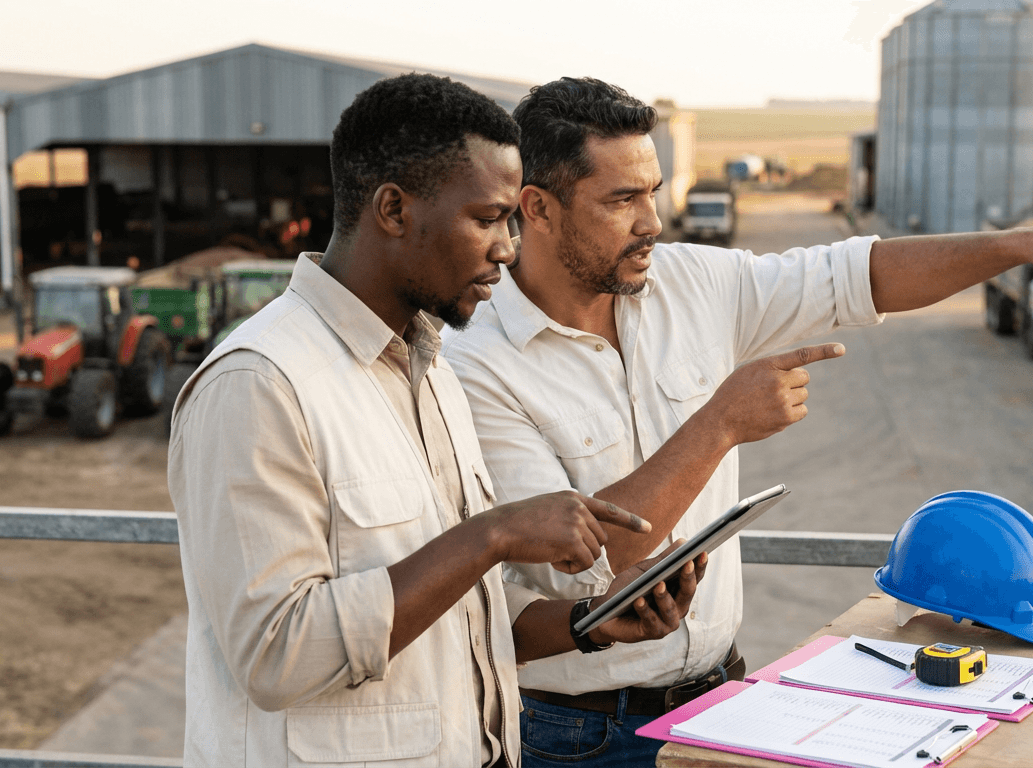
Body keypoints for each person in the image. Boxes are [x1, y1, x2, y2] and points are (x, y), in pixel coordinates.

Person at [440, 76, 1033, 767]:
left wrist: (1020, 246)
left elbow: (857, 274)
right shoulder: (475, 366)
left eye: (654, 193)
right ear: (536, 208)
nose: (652, 222)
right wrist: (720, 423)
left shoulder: (691, 282)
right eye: (623, 199)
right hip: (583, 735)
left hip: (723, 698)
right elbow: (580, 566)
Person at [168, 73, 704, 768]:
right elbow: (277, 654)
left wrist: (589, 625)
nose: (508, 248)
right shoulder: (259, 383)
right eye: (486, 219)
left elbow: (452, 610)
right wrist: (495, 534)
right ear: (394, 208)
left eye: (513, 220)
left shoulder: (431, 367)